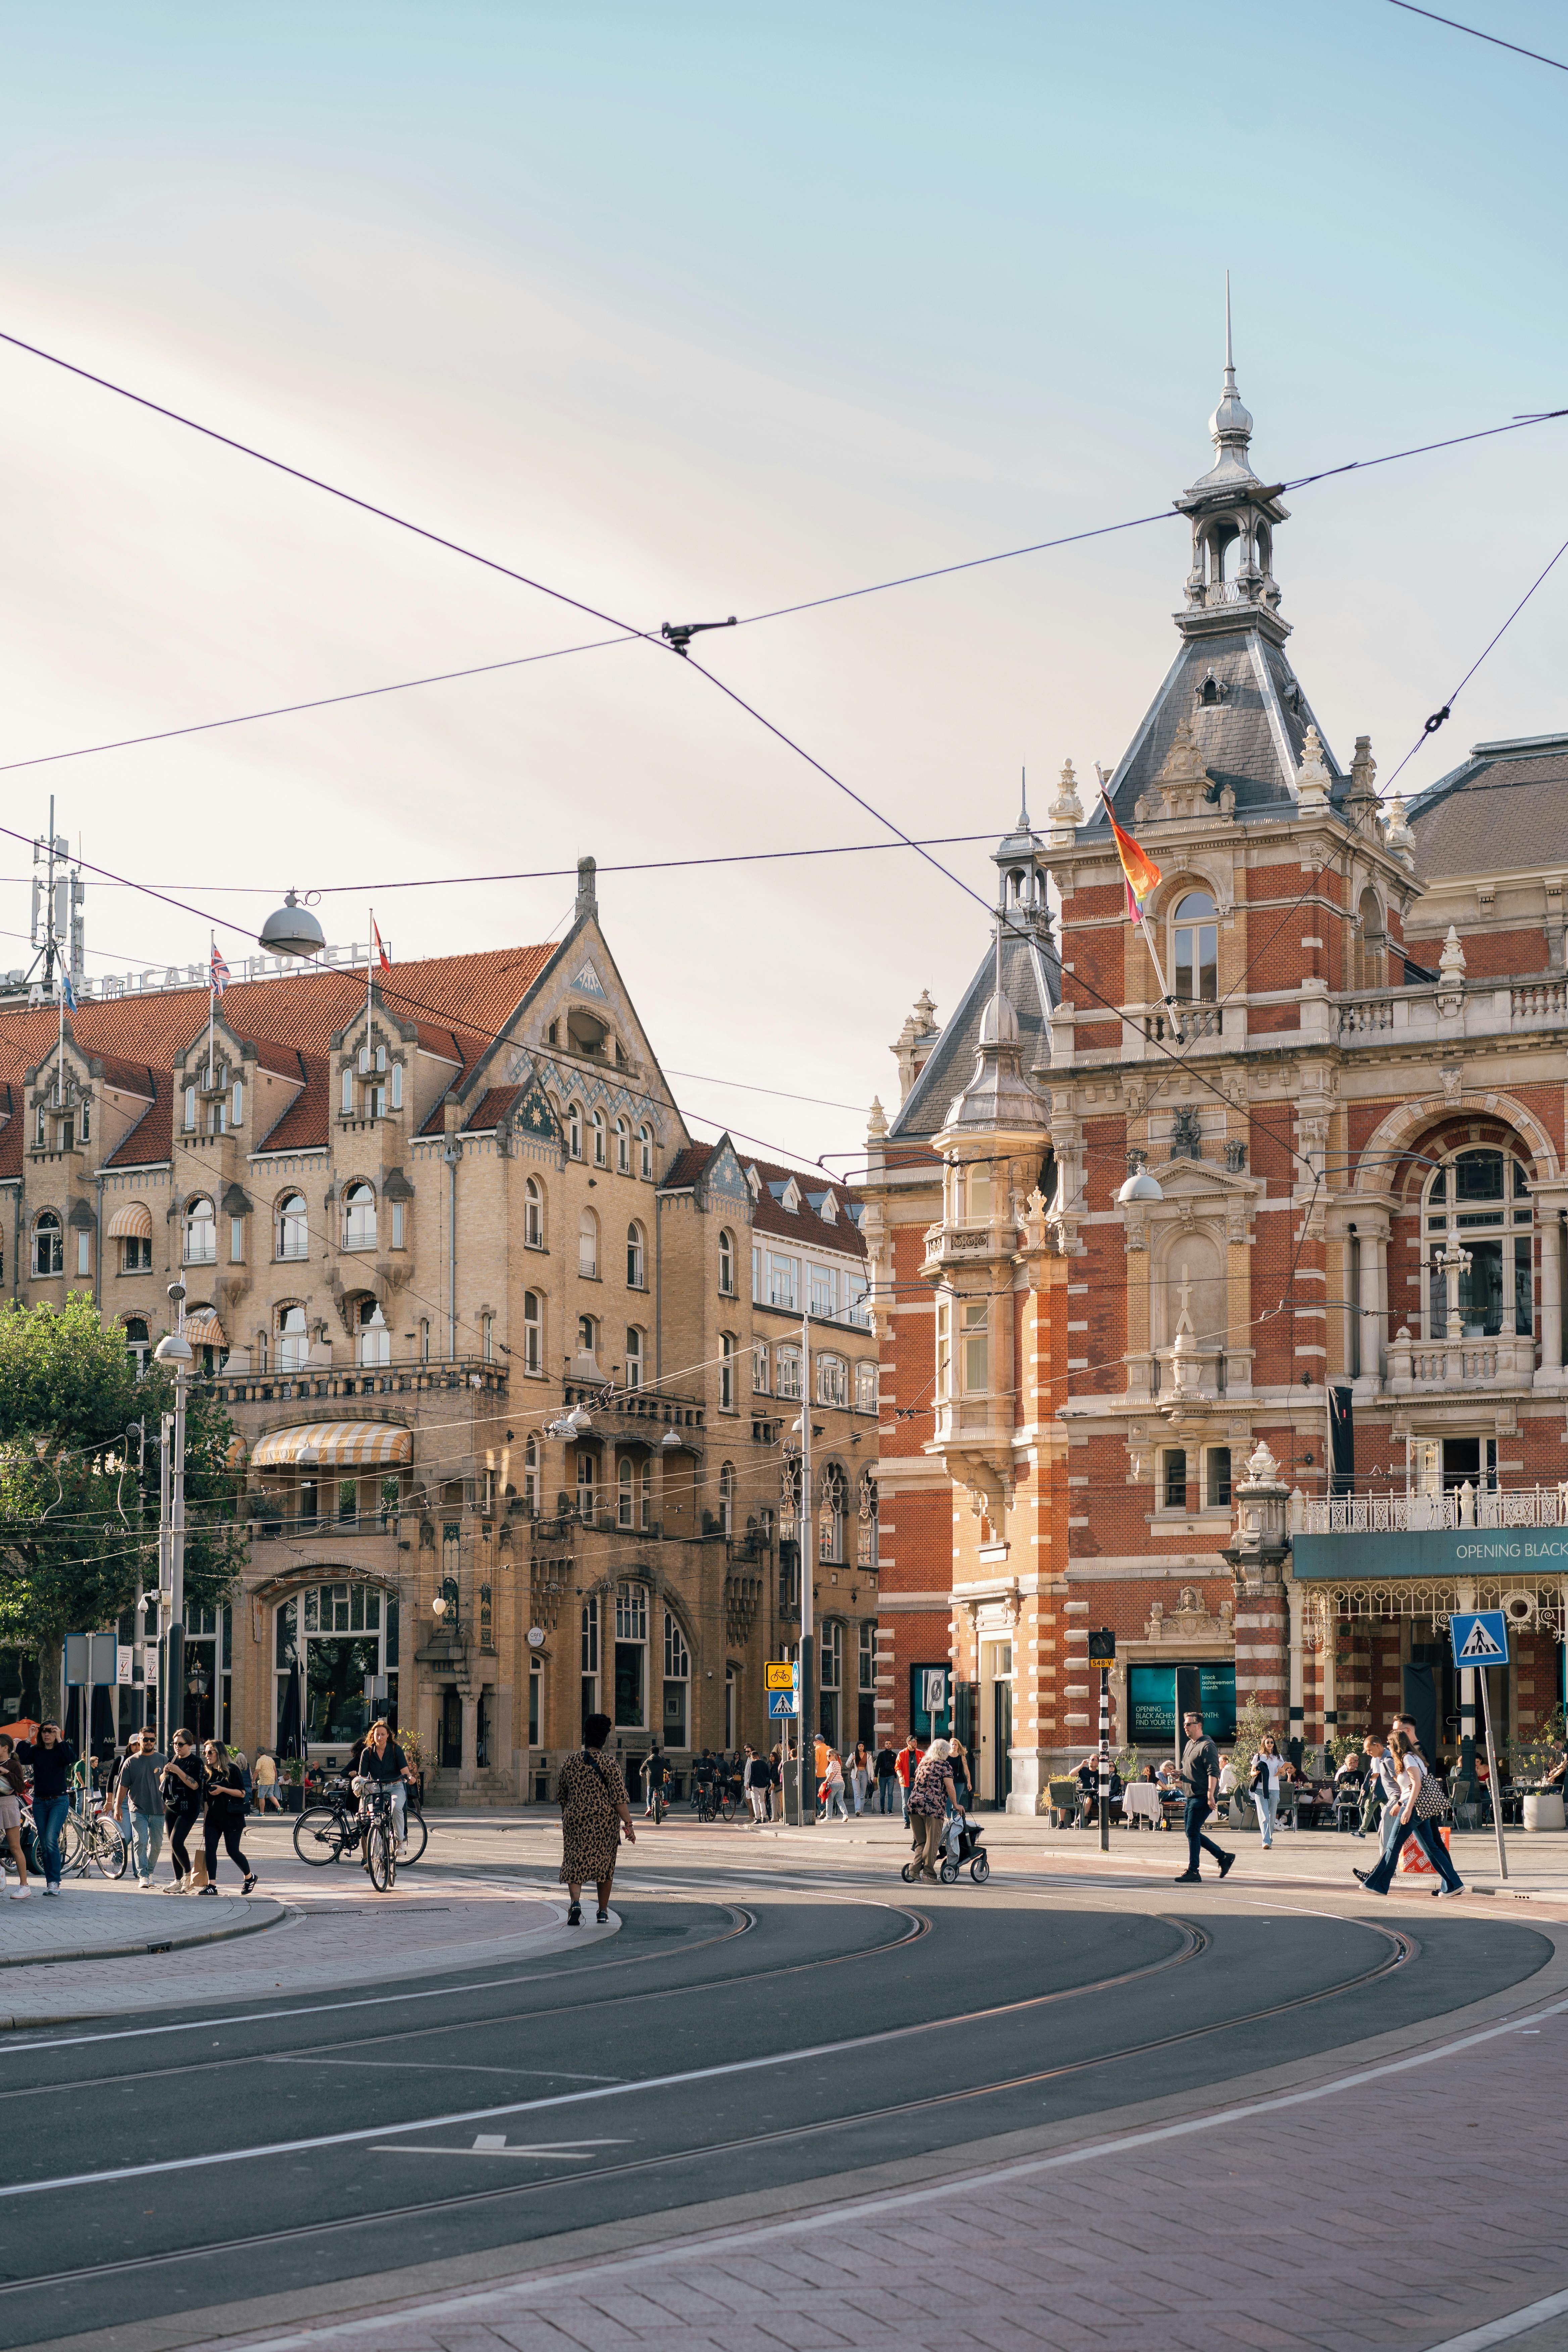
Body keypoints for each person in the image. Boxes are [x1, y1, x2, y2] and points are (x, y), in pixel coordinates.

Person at [1356, 1728, 1464, 1898]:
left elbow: (1417, 1784)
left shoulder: (1408, 1758)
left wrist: (1407, 1807)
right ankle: (1453, 1884)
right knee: (1431, 1848)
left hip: (1413, 1807)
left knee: (1393, 1846)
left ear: (1397, 1744)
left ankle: (1378, 1884)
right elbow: (1410, 1787)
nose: (1389, 1747)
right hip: (1415, 1806)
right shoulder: (1414, 1758)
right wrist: (1400, 1803)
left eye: (1390, 1744)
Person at [557, 1712, 635, 1925]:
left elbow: (562, 1795)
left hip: (575, 1819)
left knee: (575, 1862)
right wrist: (629, 1825)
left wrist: (570, 1816)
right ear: (604, 1739)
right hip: (604, 1823)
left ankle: (575, 1902)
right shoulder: (610, 1764)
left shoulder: (570, 1762)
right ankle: (602, 1912)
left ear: (585, 1736)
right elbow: (619, 1798)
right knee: (605, 1866)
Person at [16, 1721, 75, 1897]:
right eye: (44, 1731)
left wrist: (60, 1739)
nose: (47, 1734)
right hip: (40, 1802)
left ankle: (54, 1882)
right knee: (45, 1841)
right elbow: (22, 1757)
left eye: (51, 1731)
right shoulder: (36, 1751)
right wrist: (29, 1738)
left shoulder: (61, 1750)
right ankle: (51, 1882)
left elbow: (70, 1759)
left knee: (50, 1839)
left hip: (59, 1801)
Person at [1175, 1710, 1234, 1884]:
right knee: (1191, 1832)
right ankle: (1223, 1857)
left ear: (1199, 1726)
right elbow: (1192, 1769)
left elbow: (1213, 1772)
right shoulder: (1189, 1745)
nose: (1185, 1727)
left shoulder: (1207, 1745)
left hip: (1202, 1796)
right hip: (1191, 1795)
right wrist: (1179, 1773)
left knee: (1192, 1832)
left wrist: (1210, 1795)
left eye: (1188, 1724)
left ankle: (1194, 1870)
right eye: (1185, 1724)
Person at [198, 1741, 257, 1894]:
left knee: (233, 1851)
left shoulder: (232, 1770)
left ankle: (249, 1877)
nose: (207, 1756)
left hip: (232, 1818)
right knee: (210, 1850)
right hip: (213, 1818)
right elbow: (206, 1802)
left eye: (210, 1752)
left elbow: (243, 1793)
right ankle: (212, 1886)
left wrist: (223, 1790)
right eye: (206, 1753)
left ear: (220, 1753)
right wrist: (205, 1823)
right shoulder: (207, 1772)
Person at [113, 1727, 167, 1888]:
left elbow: (169, 1784)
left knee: (157, 1845)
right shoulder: (131, 1762)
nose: (149, 1742)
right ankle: (143, 1875)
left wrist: (168, 1803)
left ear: (156, 1741)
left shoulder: (163, 1760)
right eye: (146, 1739)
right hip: (137, 1809)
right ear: (140, 1741)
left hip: (159, 1809)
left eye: (152, 1739)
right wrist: (117, 1807)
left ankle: (150, 1871)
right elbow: (122, 1786)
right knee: (141, 1841)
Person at [356, 1719, 415, 1852]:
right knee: (375, 1818)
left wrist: (411, 1778)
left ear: (388, 1735)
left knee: (396, 1809)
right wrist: (357, 1782)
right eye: (377, 1734)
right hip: (376, 1788)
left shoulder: (396, 1750)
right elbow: (363, 1777)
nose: (380, 1737)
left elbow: (406, 1772)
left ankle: (400, 1841)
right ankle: (375, 1855)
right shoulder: (368, 1752)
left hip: (395, 1787)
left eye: (383, 1734)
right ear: (373, 1735)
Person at [160, 1730, 204, 1893]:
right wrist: (165, 1772)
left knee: (176, 1841)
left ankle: (188, 1875)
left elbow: (195, 1785)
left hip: (188, 1808)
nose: (177, 1747)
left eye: (181, 1744)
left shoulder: (196, 1762)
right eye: (175, 1744)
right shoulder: (172, 1759)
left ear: (190, 1745)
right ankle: (178, 1881)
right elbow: (162, 1782)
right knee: (173, 1845)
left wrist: (178, 1770)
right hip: (172, 1807)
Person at [907, 1738, 956, 1880]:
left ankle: (914, 1870)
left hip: (914, 1806)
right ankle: (929, 1874)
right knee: (932, 1842)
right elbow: (950, 1788)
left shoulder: (923, 1763)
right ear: (945, 1752)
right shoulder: (944, 1766)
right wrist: (957, 1805)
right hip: (932, 1808)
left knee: (921, 1841)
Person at [0, 1734, 30, 1897]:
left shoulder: (13, 1764)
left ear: (6, 1748)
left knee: (14, 1847)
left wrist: (6, 1772)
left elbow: (20, 1788)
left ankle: (24, 1885)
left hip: (8, 1803)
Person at [1250, 1733, 1285, 1848]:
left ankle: (1269, 1839)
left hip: (1274, 1789)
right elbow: (1252, 1773)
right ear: (1264, 1743)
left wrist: (1282, 1771)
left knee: (1271, 1816)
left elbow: (1284, 1772)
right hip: (1260, 1789)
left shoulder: (1278, 1757)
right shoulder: (1258, 1757)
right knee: (1264, 1816)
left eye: (1272, 1742)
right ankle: (1266, 1841)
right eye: (1268, 1742)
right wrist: (1258, 1773)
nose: (1270, 1744)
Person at [1360, 1735, 1396, 1842]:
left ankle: (1362, 1830)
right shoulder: (1383, 1758)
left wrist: (1369, 1782)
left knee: (1371, 1809)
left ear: (1378, 1746)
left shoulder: (1386, 1760)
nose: (1368, 1753)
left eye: (1369, 1750)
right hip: (1391, 1795)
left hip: (1392, 1795)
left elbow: (1397, 1780)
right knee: (1385, 1820)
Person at [743, 1744, 771, 1824]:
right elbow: (768, 1775)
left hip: (755, 1786)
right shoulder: (764, 1764)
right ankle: (764, 1817)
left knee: (755, 1802)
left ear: (753, 1757)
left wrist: (750, 1784)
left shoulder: (753, 1764)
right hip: (763, 1786)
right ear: (758, 1756)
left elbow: (752, 1775)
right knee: (762, 1801)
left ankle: (758, 1818)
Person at [896, 1734, 920, 1827]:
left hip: (917, 1783)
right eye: (914, 1741)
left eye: (916, 1741)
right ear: (909, 1743)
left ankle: (916, 1820)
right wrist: (901, 1777)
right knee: (905, 1803)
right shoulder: (902, 1754)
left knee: (917, 1802)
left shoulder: (921, 1753)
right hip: (905, 1782)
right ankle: (907, 1821)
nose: (916, 1743)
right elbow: (898, 1767)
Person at [820, 1748, 848, 1820]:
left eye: (830, 1756)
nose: (828, 1758)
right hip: (841, 1784)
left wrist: (825, 1782)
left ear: (834, 1756)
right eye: (827, 1756)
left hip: (834, 1784)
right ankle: (845, 1815)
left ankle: (829, 1818)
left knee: (829, 1801)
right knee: (840, 1801)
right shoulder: (838, 1763)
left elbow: (831, 1774)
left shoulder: (833, 1763)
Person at [643, 1745, 669, 1819]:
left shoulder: (648, 1761)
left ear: (651, 1753)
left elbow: (642, 1770)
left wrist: (642, 1774)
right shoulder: (662, 1761)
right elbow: (669, 1769)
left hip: (651, 1783)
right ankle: (665, 1800)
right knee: (665, 1787)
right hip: (660, 1783)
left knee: (649, 1795)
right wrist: (669, 1772)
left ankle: (649, 1807)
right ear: (658, 1752)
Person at [253, 1748, 281, 1814]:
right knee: (271, 1795)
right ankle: (279, 1808)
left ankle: (262, 1813)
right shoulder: (271, 1759)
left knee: (261, 1796)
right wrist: (275, 1779)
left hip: (264, 1781)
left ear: (259, 1753)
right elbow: (275, 1771)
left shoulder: (260, 1760)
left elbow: (257, 1772)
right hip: (272, 1781)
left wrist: (253, 1781)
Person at [947, 1737, 972, 1813]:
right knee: (948, 1800)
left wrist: (969, 1782)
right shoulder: (946, 1756)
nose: (954, 1746)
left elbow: (966, 1770)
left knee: (956, 1801)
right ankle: (949, 1818)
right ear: (950, 1746)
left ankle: (954, 1819)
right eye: (952, 1745)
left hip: (959, 1782)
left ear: (958, 1746)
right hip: (948, 1781)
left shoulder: (962, 1757)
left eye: (956, 1745)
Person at [874, 1742, 898, 1814]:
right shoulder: (881, 1754)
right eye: (887, 1744)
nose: (888, 1745)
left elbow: (896, 1767)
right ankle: (882, 1809)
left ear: (892, 1745)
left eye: (890, 1744)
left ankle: (890, 1810)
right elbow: (877, 1766)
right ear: (884, 1745)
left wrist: (895, 1777)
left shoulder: (894, 1755)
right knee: (882, 1794)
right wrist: (876, 1776)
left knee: (890, 1794)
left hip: (891, 1776)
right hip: (882, 1776)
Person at [849, 1742, 871, 1816]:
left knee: (863, 1794)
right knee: (857, 1793)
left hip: (864, 1774)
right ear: (857, 1747)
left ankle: (861, 1811)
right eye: (860, 1746)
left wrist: (872, 1776)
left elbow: (870, 1767)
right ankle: (857, 1810)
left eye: (862, 1746)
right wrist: (852, 1759)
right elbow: (847, 1765)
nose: (861, 1747)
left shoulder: (868, 1755)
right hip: (856, 1774)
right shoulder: (853, 1754)